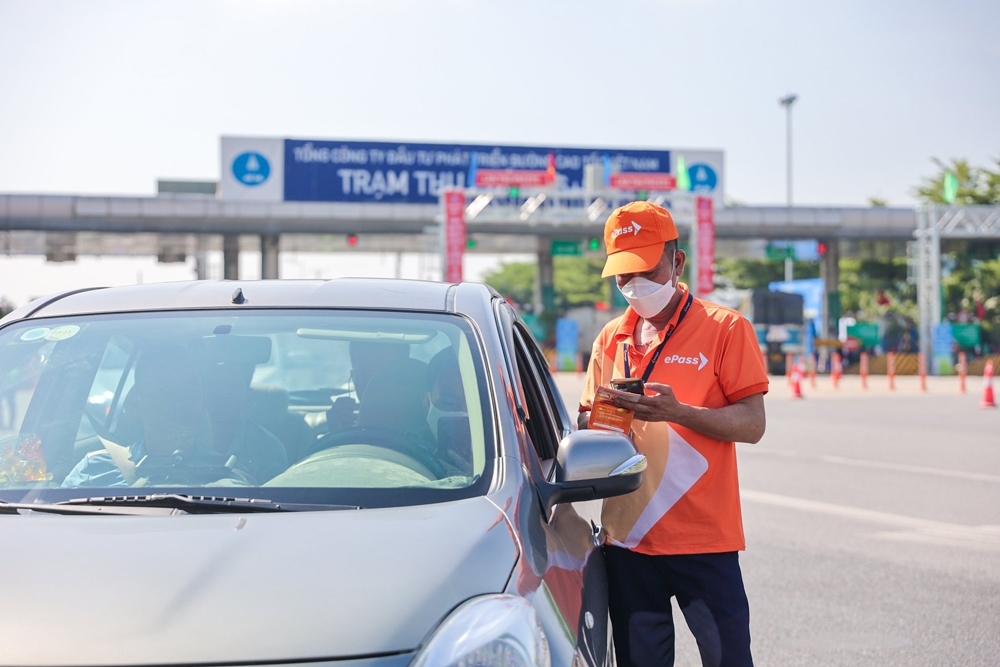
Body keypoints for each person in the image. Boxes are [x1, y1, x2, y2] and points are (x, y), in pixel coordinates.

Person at [578, 201, 768, 667]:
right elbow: (585, 420)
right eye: (623, 274)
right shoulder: (610, 339)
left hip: (704, 541)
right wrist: (600, 423)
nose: (634, 284)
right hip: (627, 542)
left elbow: (752, 424)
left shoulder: (726, 328)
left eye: (646, 268)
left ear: (677, 262)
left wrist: (678, 413)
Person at [63, 344, 286, 488]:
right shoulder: (93, 471)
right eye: (164, 388)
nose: (178, 400)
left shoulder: (233, 480)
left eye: (189, 389)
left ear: (202, 403)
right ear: (135, 404)